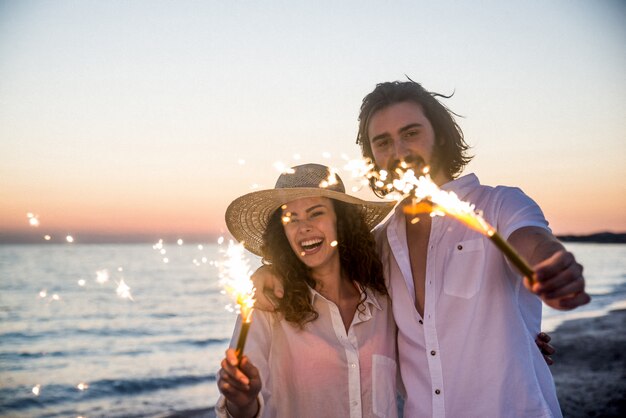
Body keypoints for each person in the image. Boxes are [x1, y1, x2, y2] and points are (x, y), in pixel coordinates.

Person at [254, 80, 590, 417]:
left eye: (410, 133)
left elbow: (532, 243)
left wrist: (551, 267)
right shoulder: (380, 243)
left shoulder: (500, 204)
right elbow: (327, 275)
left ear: (440, 135)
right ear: (372, 157)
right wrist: (270, 272)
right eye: (382, 142)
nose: (398, 152)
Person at [215, 163, 399, 418]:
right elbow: (239, 404)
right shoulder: (267, 304)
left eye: (316, 213)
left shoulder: (384, 300)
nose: (303, 228)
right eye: (291, 219)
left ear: (341, 222)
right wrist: (243, 400)